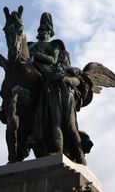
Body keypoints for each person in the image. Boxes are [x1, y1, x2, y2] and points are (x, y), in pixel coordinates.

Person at [28, 12, 88, 164]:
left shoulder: (55, 47)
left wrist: (35, 55)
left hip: (63, 90)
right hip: (49, 87)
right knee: (55, 122)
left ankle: (79, 153)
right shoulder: (30, 45)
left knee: (69, 125)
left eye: (44, 30)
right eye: (39, 30)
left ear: (49, 32)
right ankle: (57, 151)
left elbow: (53, 60)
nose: (41, 32)